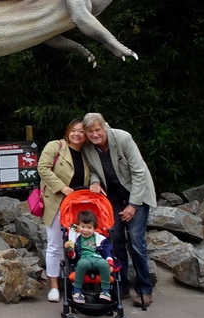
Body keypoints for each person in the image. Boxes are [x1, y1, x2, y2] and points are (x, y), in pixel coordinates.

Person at [81, 113, 157, 307]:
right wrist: (95, 182)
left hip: (136, 194)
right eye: (90, 131)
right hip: (112, 197)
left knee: (136, 242)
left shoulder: (123, 138)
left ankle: (144, 289)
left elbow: (139, 172)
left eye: (97, 130)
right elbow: (94, 171)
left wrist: (133, 205)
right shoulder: (88, 148)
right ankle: (121, 285)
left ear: (104, 126)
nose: (94, 134)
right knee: (115, 240)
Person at [35, 119, 105, 302]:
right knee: (55, 245)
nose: (77, 134)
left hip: (79, 206)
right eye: (73, 130)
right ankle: (54, 285)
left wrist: (95, 183)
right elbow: (42, 168)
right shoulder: (55, 146)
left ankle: (76, 282)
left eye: (81, 132)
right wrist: (62, 187)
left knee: (79, 243)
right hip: (57, 202)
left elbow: (95, 172)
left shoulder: (87, 153)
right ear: (68, 131)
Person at [64, 209, 114, 303]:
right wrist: (69, 249)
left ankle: (105, 291)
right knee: (82, 264)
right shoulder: (76, 239)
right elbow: (73, 257)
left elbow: (107, 252)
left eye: (89, 227)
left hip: (97, 258)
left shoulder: (100, 239)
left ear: (94, 229)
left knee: (104, 264)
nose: (85, 230)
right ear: (78, 226)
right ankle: (77, 290)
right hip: (84, 259)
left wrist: (110, 263)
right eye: (82, 226)